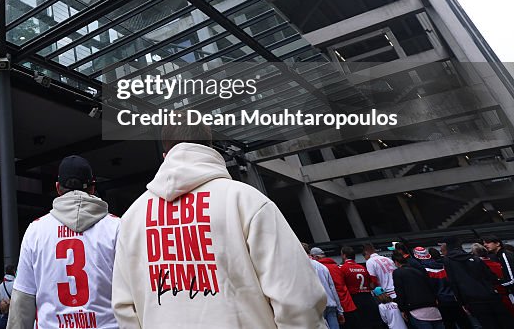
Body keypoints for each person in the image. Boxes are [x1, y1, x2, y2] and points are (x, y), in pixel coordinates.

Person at [111, 124, 325, 329]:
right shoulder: (248, 201)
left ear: (165, 156)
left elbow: (123, 306)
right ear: (210, 148)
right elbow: (297, 298)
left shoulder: (132, 217)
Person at [9, 156, 119, 329]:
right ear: (92, 187)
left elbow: (22, 302)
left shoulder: (36, 231)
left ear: (58, 188)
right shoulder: (116, 227)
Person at [441, 237, 510, 329]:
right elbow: (490, 276)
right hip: (490, 294)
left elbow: (453, 282)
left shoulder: (448, 261)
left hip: (472, 299)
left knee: (488, 324)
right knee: (505, 322)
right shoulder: (473, 258)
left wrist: (462, 302)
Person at [393, 253, 444, 329]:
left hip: (416, 310)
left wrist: (402, 309)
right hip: (432, 308)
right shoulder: (418, 271)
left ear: (396, 262)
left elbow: (400, 292)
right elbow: (430, 286)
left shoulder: (397, 273)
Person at [341, 245, 383, 328]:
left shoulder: (342, 268)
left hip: (355, 300)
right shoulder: (362, 267)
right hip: (368, 298)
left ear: (344, 255)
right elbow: (371, 285)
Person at [310, 247, 356, 323]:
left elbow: (333, 288)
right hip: (346, 303)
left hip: (327, 303)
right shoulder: (336, 266)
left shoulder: (317, 268)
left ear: (316, 257)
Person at [307, 245, 343, 329]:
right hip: (331, 303)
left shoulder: (304, 266)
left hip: (317, 305)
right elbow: (332, 288)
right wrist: (340, 310)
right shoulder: (323, 267)